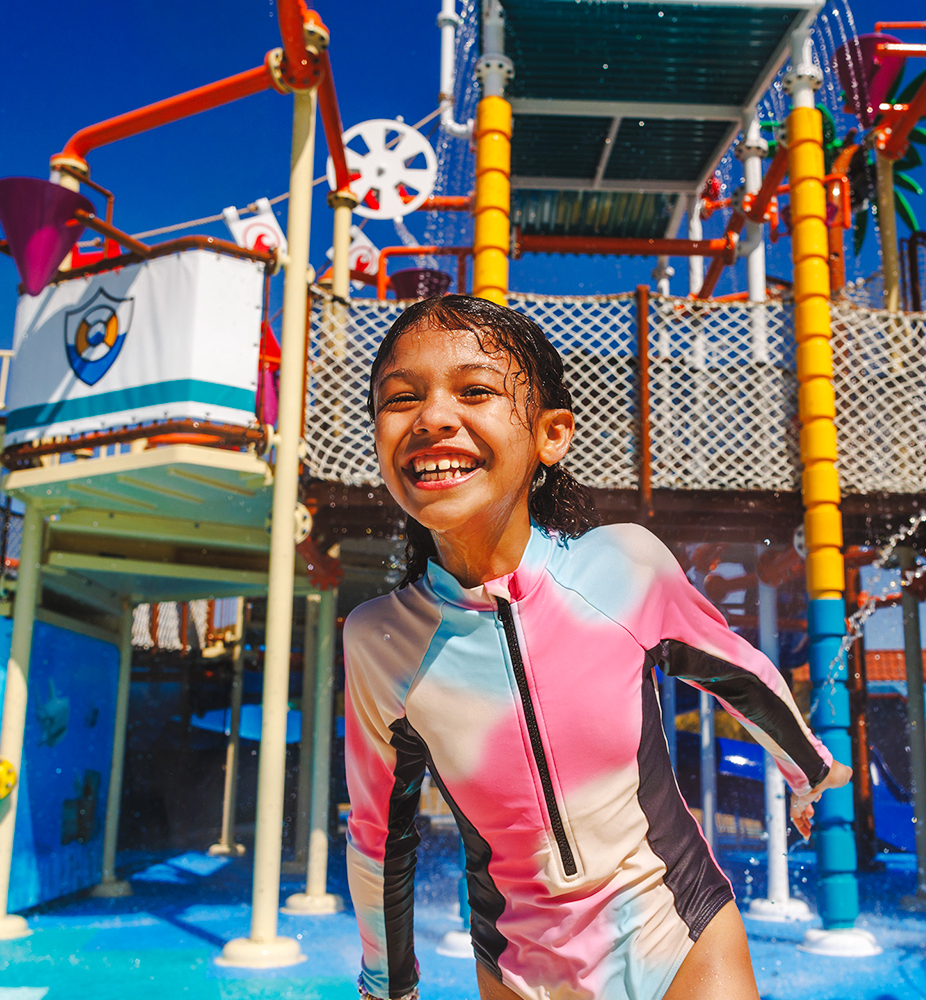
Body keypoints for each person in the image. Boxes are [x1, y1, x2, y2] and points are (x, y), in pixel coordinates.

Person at [344, 295, 850, 1000]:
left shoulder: (623, 568)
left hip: (679, 932)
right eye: (401, 399)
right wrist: (385, 987)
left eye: (475, 391)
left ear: (551, 435)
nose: (431, 417)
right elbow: (379, 836)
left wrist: (812, 770)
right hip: (521, 967)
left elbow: (739, 673)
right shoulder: (381, 640)